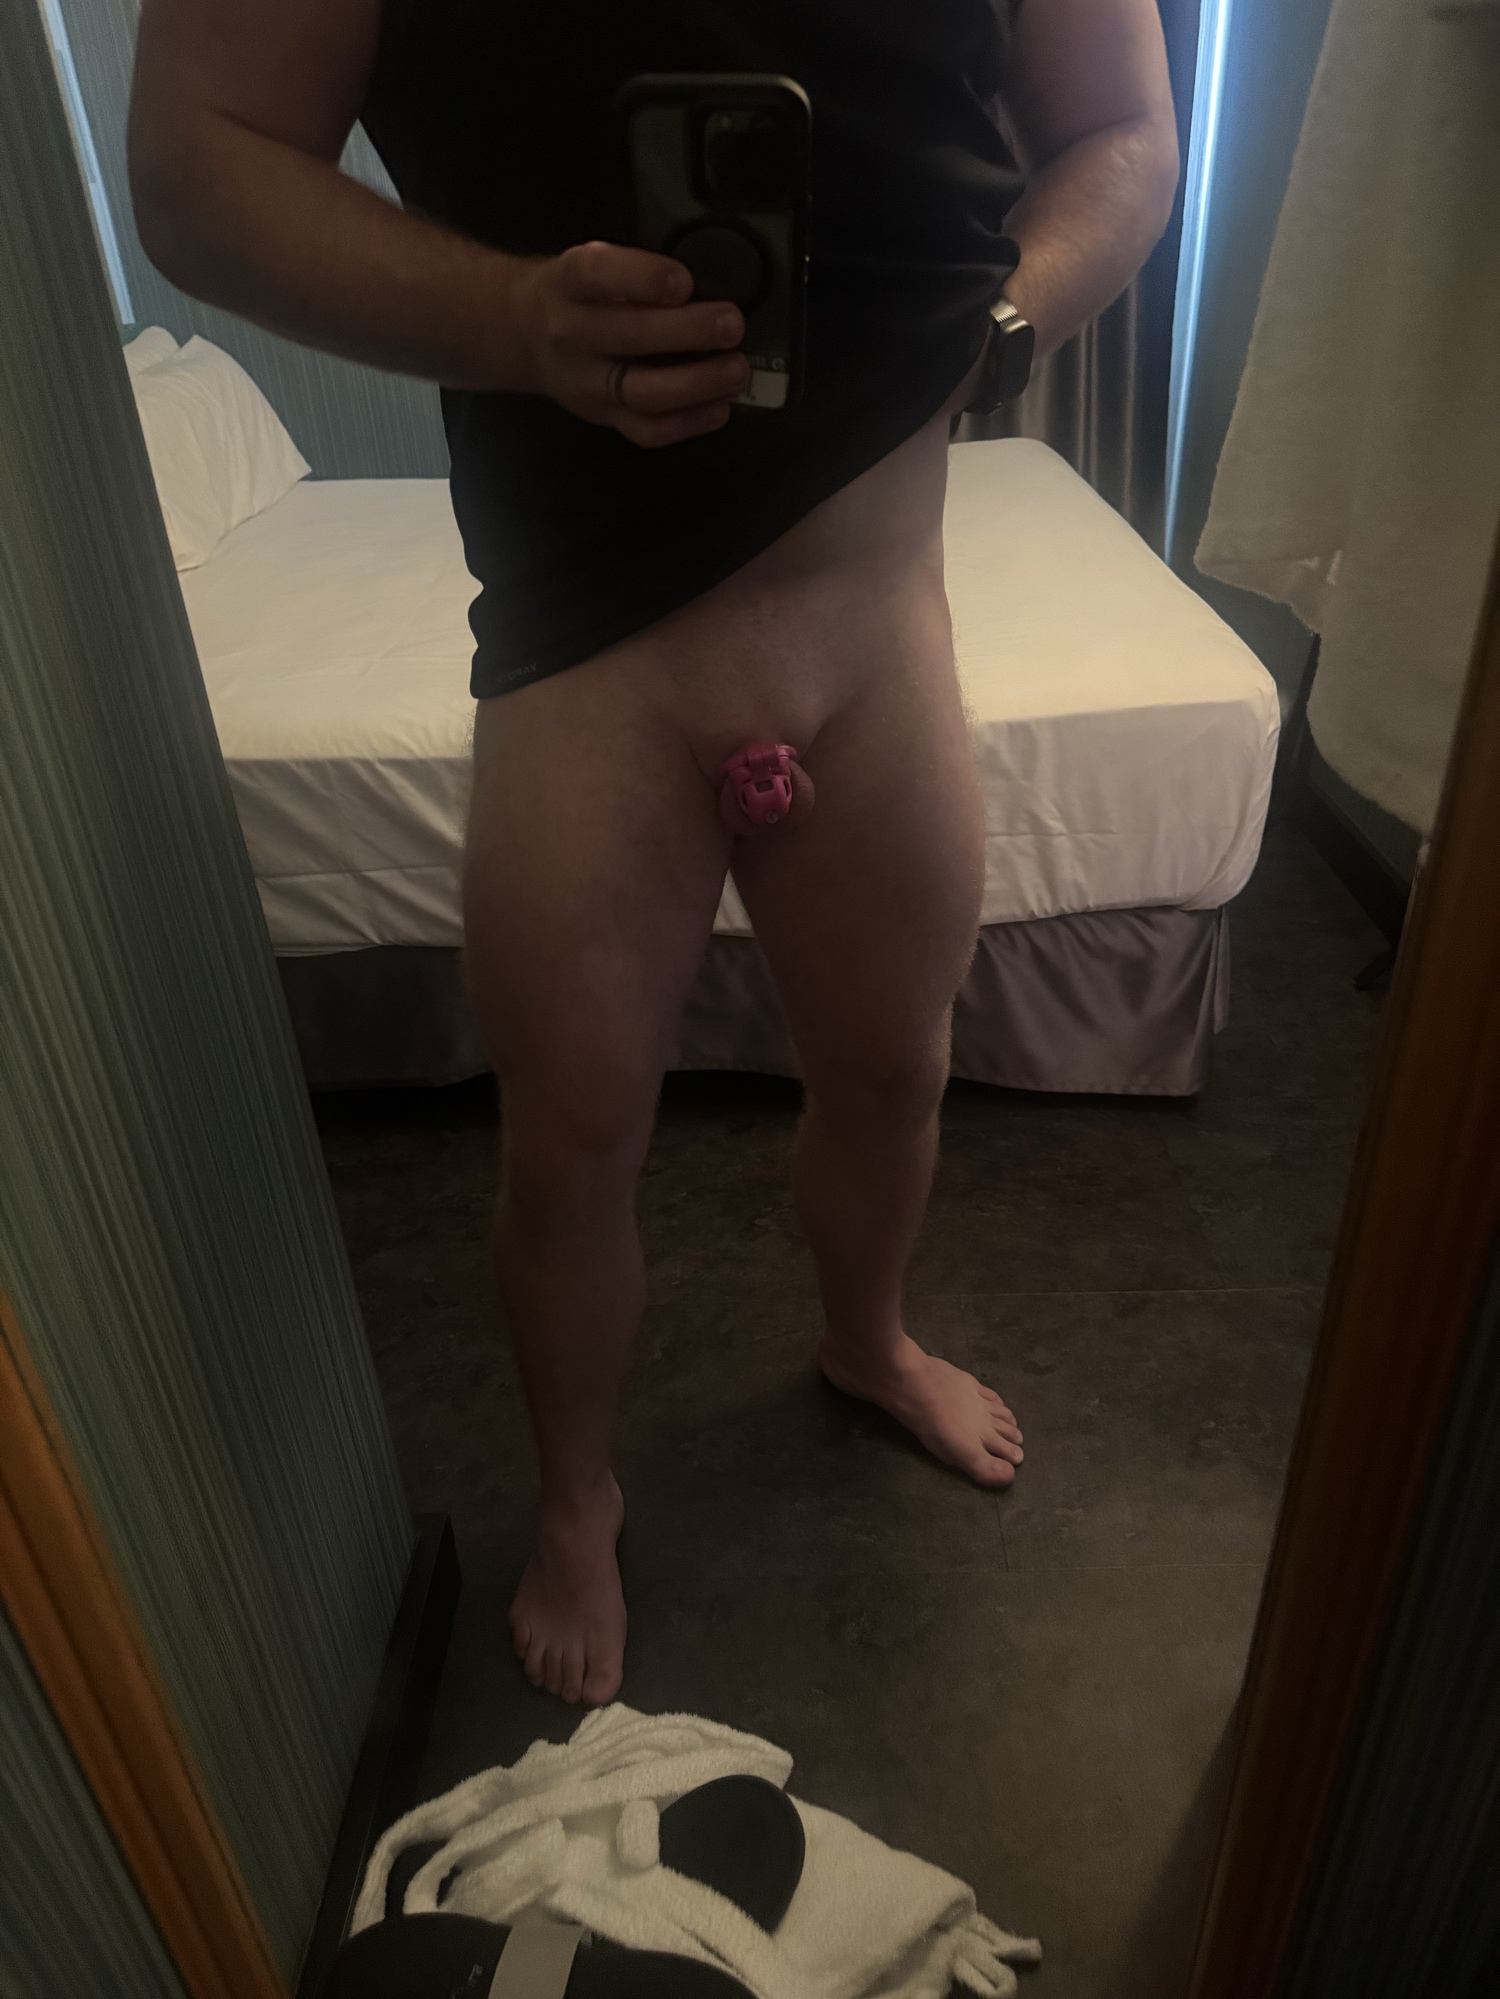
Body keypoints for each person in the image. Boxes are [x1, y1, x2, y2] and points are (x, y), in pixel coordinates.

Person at [129, 0, 1179, 1708]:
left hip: (875, 632)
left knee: (896, 1074)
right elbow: (194, 169)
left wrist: (1004, 319)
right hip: (586, 665)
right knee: (567, 1155)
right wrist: (514, 318)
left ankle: (867, 1341)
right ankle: (576, 1499)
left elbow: (1125, 132)